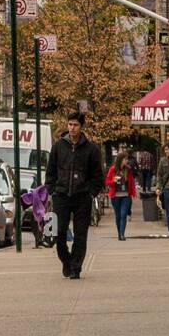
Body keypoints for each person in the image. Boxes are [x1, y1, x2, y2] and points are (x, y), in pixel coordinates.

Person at [43, 111, 104, 279]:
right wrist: (51, 189)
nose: (72, 128)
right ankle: (65, 260)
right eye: (70, 124)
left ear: (81, 127)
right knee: (59, 232)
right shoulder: (58, 146)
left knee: (80, 234)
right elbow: (51, 171)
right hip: (61, 195)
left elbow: (98, 175)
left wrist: (92, 192)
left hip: (82, 197)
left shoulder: (91, 149)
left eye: (75, 125)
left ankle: (76, 266)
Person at [105, 150, 136, 240]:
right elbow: (107, 182)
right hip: (115, 196)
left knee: (123, 214)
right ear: (120, 160)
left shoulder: (128, 169)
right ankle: (119, 233)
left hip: (126, 195)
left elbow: (131, 182)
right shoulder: (113, 169)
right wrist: (113, 181)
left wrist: (132, 192)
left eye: (127, 159)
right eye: (125, 159)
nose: (127, 161)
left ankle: (122, 234)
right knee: (118, 215)